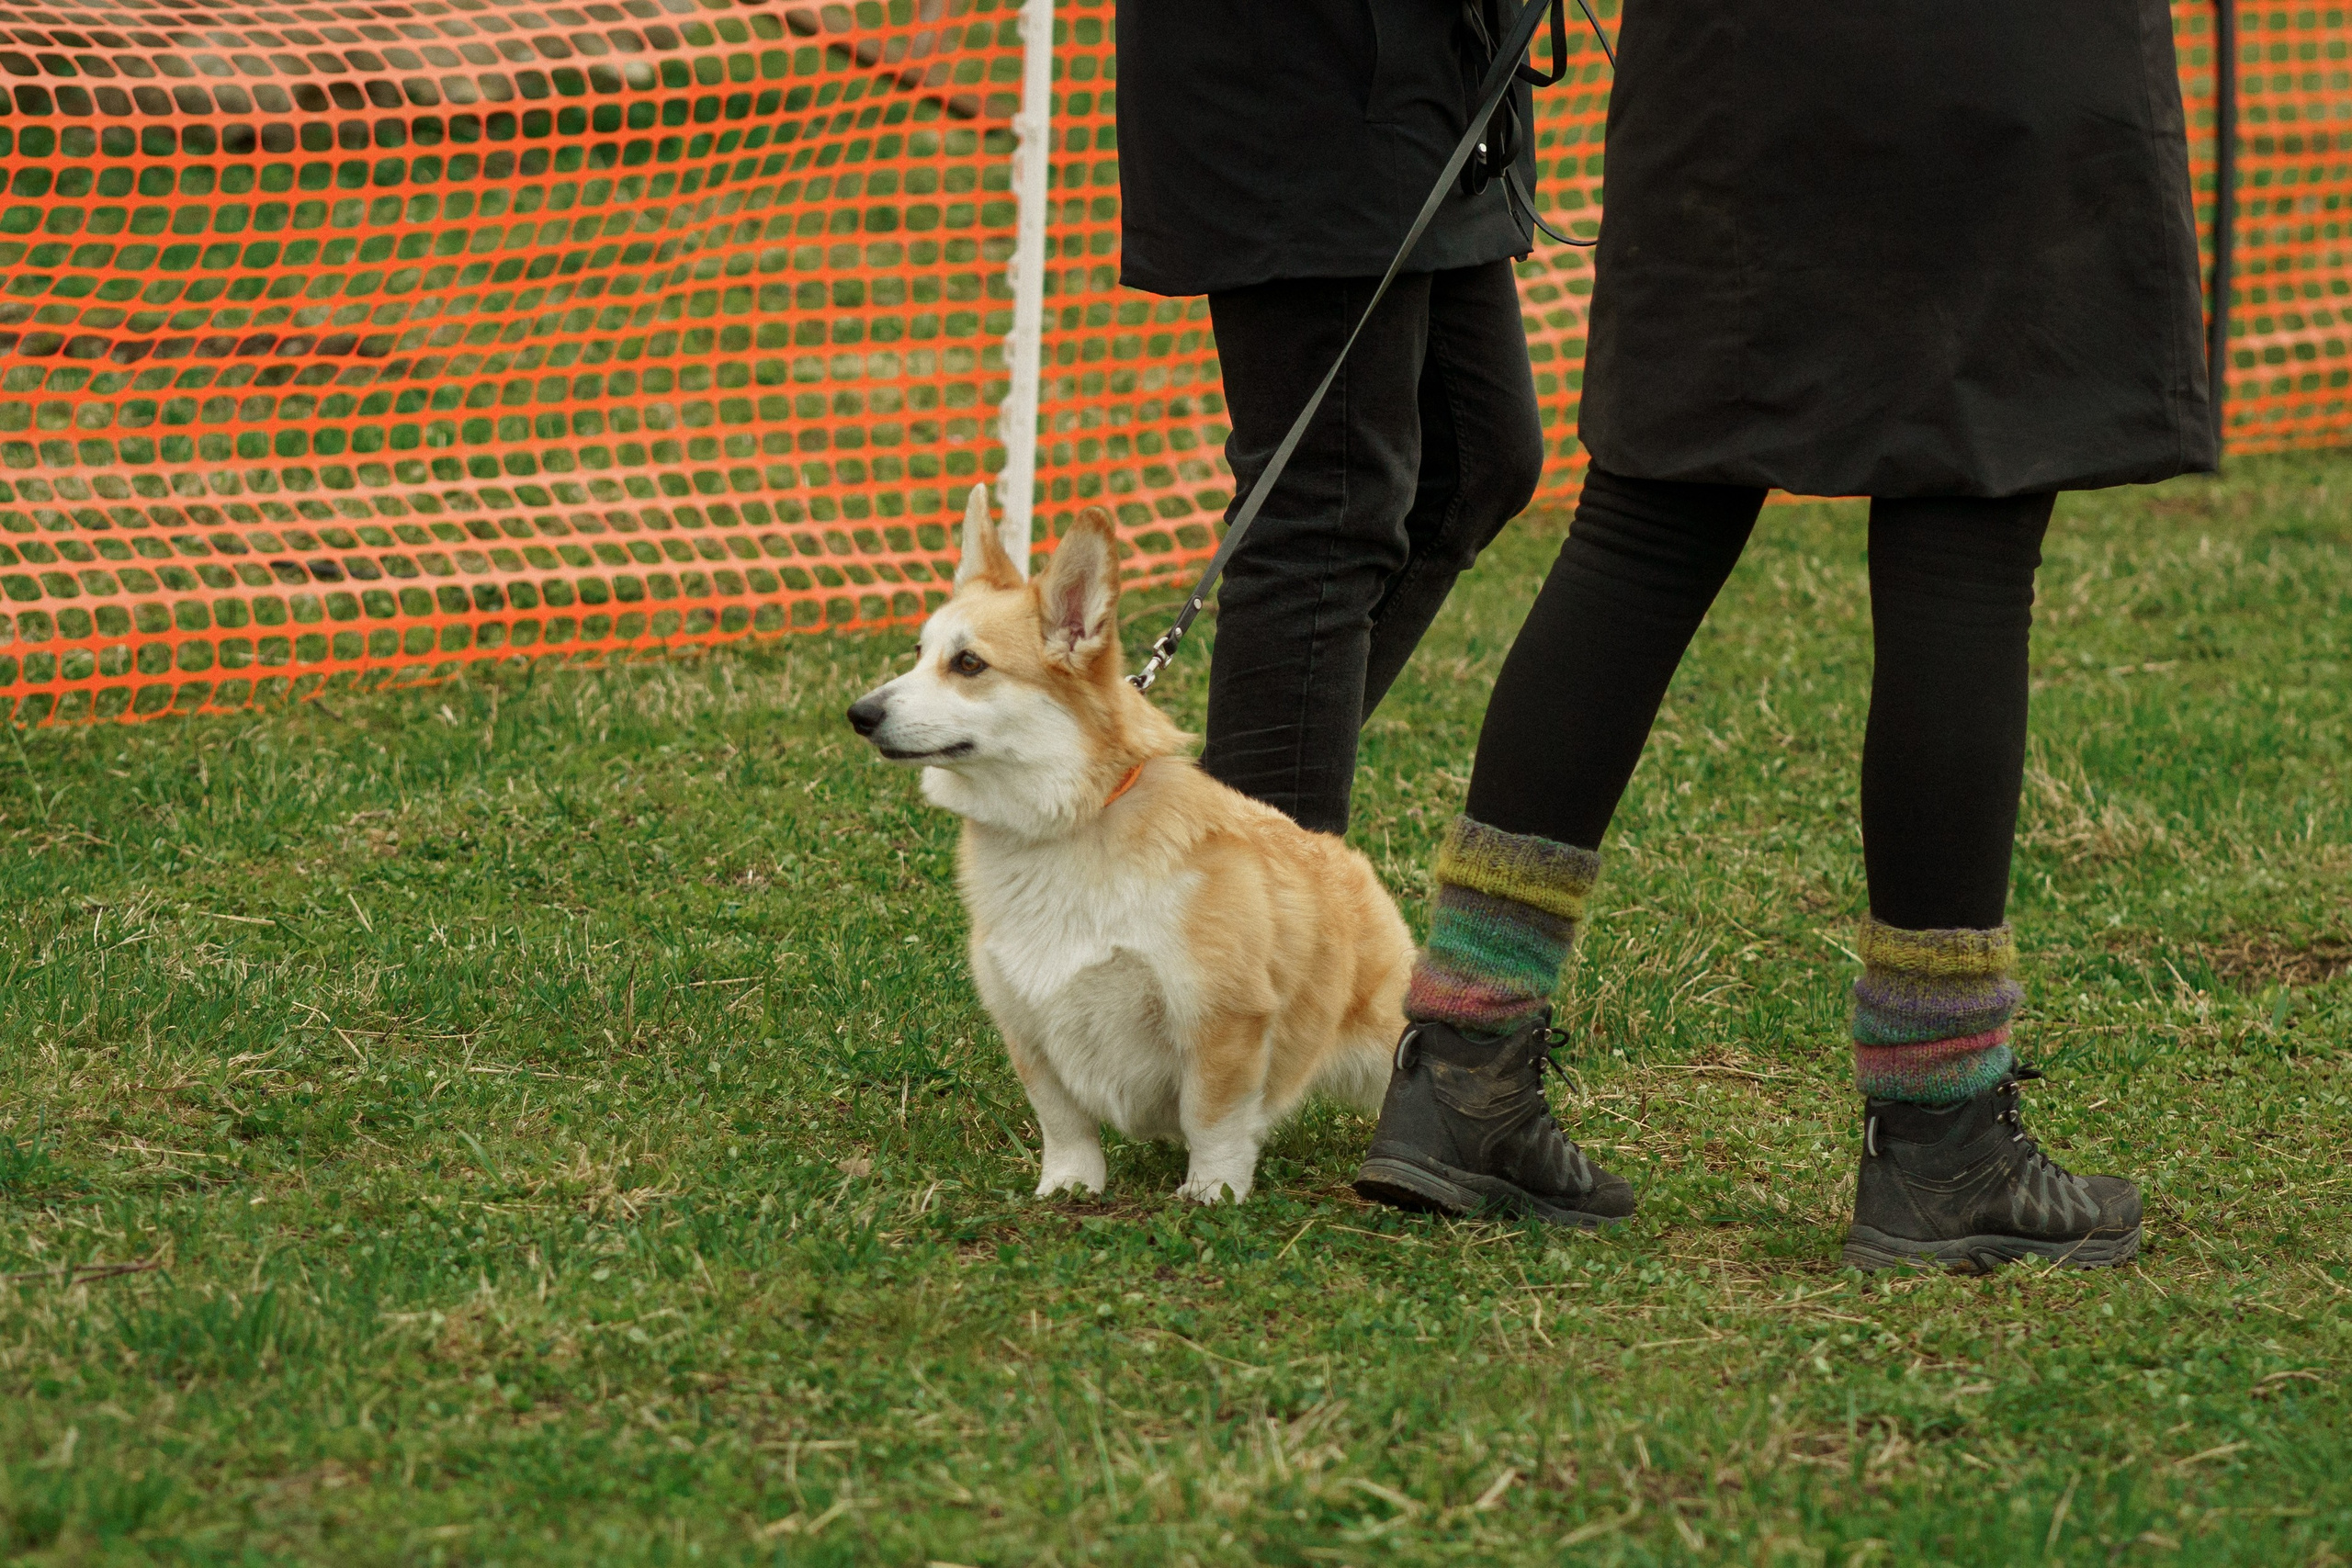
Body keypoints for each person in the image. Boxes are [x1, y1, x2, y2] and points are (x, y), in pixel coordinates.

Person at [1340, 2, 2215, 1269]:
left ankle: (1463, 1067)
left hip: (1728, 64)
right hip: (1983, 67)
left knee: (1650, 517)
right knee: (1961, 525)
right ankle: (1939, 1134)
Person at [1114, 0, 1551, 836]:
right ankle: (1252, 918)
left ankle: (1219, 826)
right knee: (1324, 508)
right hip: (1306, 76)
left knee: (1474, 462)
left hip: (1435, 65)